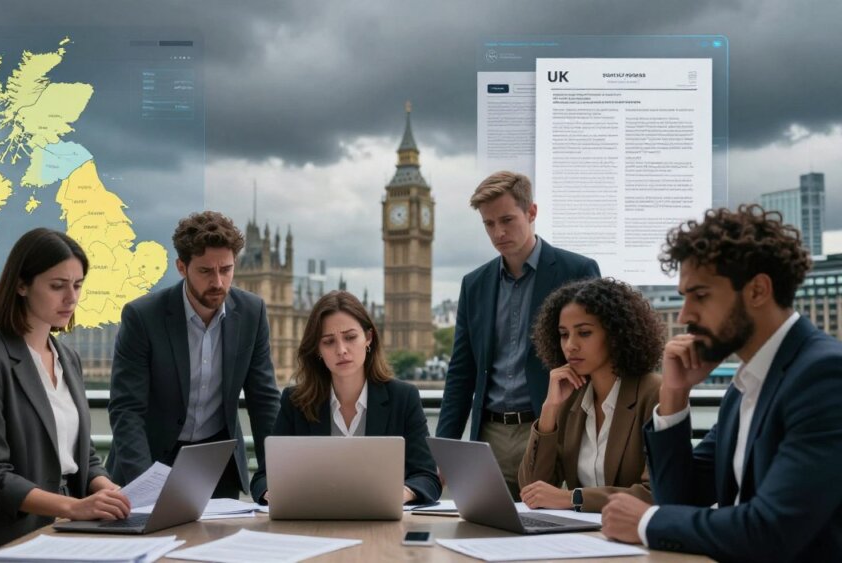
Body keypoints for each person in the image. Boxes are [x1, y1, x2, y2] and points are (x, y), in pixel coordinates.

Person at [601, 205, 842, 561]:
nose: (684, 316)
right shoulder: (747, 384)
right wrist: (675, 393)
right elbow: (679, 497)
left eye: (700, 295)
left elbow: (771, 530)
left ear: (758, 290)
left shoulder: (823, 376)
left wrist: (647, 522)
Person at [0, 228, 129, 562]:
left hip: (68, 534)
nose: (71, 298)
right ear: (21, 285)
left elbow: (82, 454)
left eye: (77, 285)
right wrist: (74, 507)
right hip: (8, 539)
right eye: (57, 286)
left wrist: (109, 490)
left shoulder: (68, 358)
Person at [436, 170, 600, 498]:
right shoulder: (474, 284)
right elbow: (461, 371)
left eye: (507, 220)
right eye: (489, 223)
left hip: (552, 429)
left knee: (548, 534)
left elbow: (597, 357)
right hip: (489, 436)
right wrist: (444, 449)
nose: (499, 232)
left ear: (532, 212)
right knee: (484, 532)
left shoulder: (577, 271)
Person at [107, 211, 280, 499]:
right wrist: (145, 486)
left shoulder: (252, 312)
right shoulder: (143, 316)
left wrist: (277, 478)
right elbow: (127, 410)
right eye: (205, 271)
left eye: (226, 269)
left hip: (215, 467)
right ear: (181, 267)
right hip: (150, 461)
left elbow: (264, 401)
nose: (218, 282)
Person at [250, 290, 441, 505]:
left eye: (350, 337)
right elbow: (262, 478)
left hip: (381, 524)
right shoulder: (296, 401)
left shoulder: (403, 398)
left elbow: (428, 478)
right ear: (317, 349)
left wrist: (400, 494)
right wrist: (275, 493)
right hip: (315, 523)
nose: (341, 350)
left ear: (368, 338)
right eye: (329, 342)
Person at [518, 278, 663, 513]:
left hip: (631, 536)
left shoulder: (653, 393)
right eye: (564, 334)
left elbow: (656, 493)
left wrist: (573, 498)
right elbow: (533, 489)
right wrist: (549, 410)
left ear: (616, 334)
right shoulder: (570, 397)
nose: (570, 345)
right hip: (578, 535)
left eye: (584, 333)